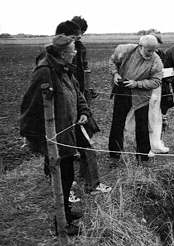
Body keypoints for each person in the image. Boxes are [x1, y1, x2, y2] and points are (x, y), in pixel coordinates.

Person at [20, 35, 88, 235]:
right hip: (55, 134)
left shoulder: (65, 69)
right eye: (73, 50)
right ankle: (61, 223)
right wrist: (30, 134)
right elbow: (30, 104)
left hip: (68, 130)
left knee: (67, 174)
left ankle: (65, 212)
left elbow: (77, 93)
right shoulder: (45, 71)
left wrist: (84, 111)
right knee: (62, 175)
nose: (76, 53)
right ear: (63, 52)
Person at [54, 20, 111, 197]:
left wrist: (84, 110)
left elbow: (77, 88)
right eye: (73, 39)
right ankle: (64, 191)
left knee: (87, 146)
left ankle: (92, 184)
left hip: (77, 113)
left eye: (78, 38)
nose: (76, 45)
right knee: (61, 154)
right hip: (59, 119)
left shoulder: (73, 58)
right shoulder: (48, 66)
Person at [108, 35, 163, 162]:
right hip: (123, 90)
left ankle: (142, 157)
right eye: (148, 50)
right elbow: (112, 61)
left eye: (154, 50)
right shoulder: (125, 50)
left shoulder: (156, 61)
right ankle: (114, 155)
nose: (151, 53)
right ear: (140, 46)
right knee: (117, 122)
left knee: (142, 125)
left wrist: (137, 84)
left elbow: (156, 81)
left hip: (141, 94)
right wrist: (115, 74)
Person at [144, 30, 170, 156]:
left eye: (157, 41)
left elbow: (166, 70)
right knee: (146, 118)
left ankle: (157, 144)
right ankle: (146, 146)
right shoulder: (143, 55)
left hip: (160, 90)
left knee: (158, 118)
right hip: (146, 90)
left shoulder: (161, 54)